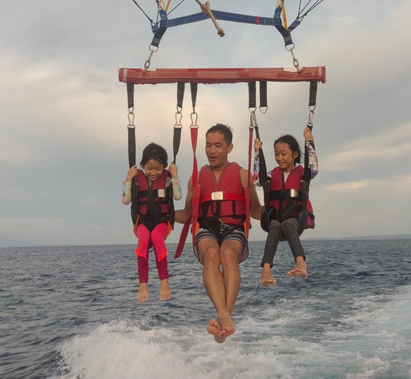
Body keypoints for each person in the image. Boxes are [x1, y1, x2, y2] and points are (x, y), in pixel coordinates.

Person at [175, 124, 262, 343]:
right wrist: (161, 214)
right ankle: (226, 317)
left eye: (217, 145)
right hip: (206, 228)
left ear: (229, 147)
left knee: (228, 253)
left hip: (234, 228)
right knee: (213, 253)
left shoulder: (243, 176)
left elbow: (256, 211)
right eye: (208, 145)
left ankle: (224, 317)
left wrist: (280, 211)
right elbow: (187, 214)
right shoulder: (195, 179)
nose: (211, 150)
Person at [254, 127, 318, 286]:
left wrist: (310, 142)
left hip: (296, 218)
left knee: (287, 224)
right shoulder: (271, 173)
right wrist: (257, 153)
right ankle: (266, 269)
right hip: (275, 217)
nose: (279, 158)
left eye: (283, 154)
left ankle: (301, 262)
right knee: (275, 225)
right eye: (276, 154)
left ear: (295, 155)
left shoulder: (303, 173)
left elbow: (314, 168)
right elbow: (257, 179)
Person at [122, 143, 182, 302]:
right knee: (144, 238)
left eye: (158, 168)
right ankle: (143, 284)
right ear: (142, 165)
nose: (154, 172)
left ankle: (164, 281)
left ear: (164, 167)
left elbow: (177, 197)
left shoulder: (168, 177)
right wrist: (129, 178)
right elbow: (125, 200)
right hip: (141, 222)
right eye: (149, 168)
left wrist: (175, 175)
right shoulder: (136, 178)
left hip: (163, 221)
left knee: (155, 236)